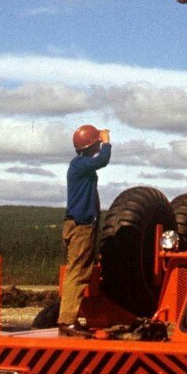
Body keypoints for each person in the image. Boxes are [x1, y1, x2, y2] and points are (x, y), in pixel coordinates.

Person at [60, 123, 111, 327]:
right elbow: (103, 160)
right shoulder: (80, 164)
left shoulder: (80, 164)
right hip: (80, 226)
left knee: (80, 270)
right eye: (97, 142)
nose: (99, 144)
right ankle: (66, 319)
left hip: (82, 224)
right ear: (90, 145)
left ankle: (69, 317)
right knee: (78, 272)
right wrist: (107, 142)